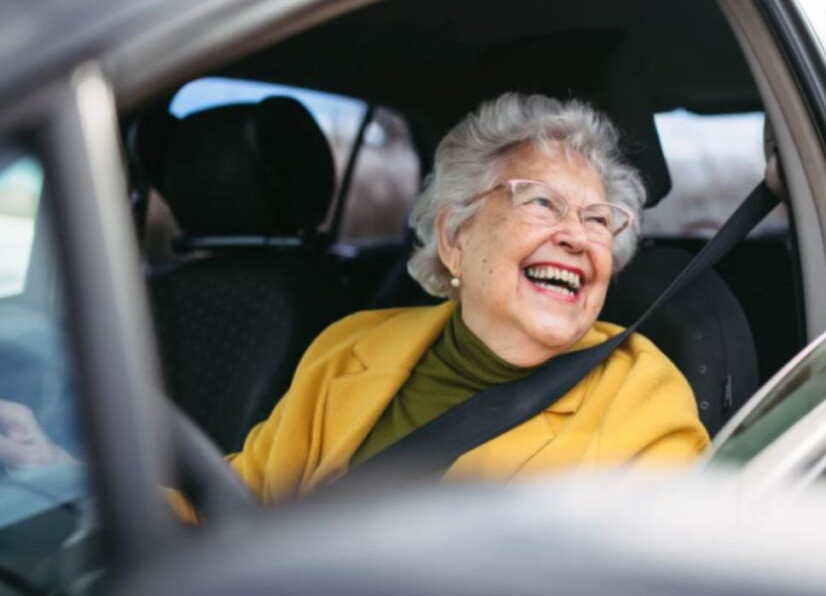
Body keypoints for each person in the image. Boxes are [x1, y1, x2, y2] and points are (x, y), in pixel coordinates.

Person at [0, 93, 709, 510]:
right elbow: (236, 509)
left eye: (597, 221)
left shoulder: (643, 396)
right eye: (543, 203)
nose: (576, 237)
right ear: (455, 239)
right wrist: (67, 479)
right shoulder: (351, 347)